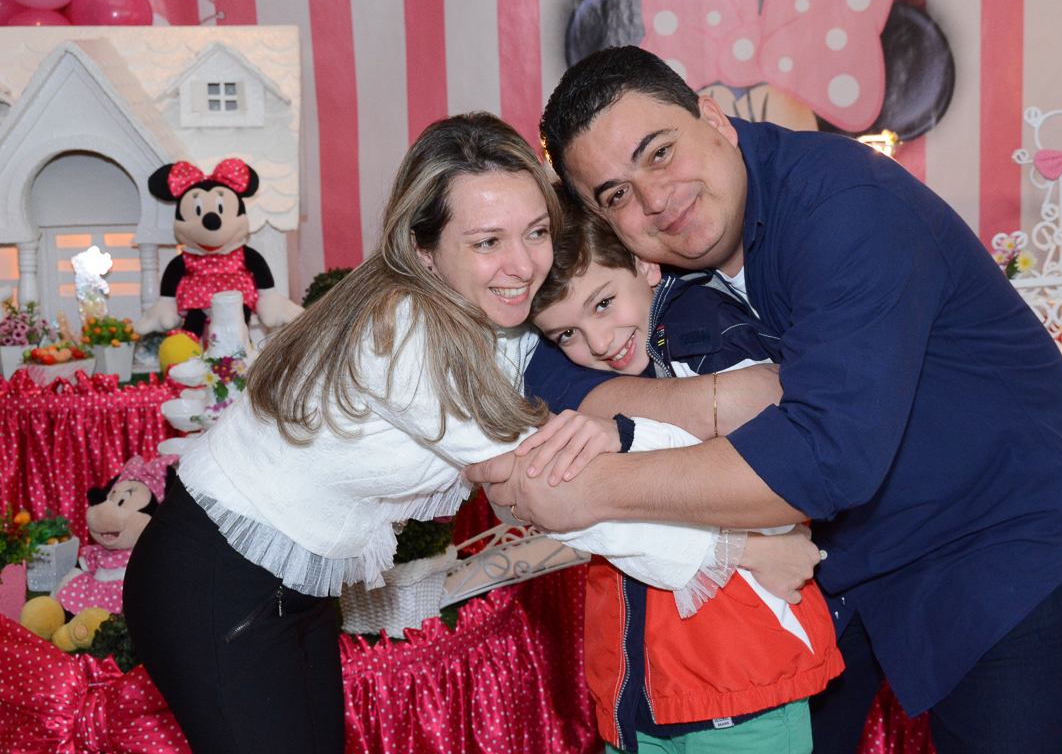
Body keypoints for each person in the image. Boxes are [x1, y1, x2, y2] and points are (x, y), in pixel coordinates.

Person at [469, 46, 1062, 754]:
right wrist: (712, 401)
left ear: (714, 116)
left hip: (987, 533)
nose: (653, 198)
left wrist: (597, 488)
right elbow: (551, 377)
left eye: (660, 152)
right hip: (824, 559)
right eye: (614, 193)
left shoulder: (847, 206)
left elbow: (826, 460)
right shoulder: (643, 268)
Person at [123, 111, 807, 754]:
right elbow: (555, 495)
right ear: (422, 249)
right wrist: (737, 546)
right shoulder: (406, 335)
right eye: (486, 242)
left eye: (537, 231)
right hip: (212, 584)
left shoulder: (489, 314)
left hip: (293, 591)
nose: (523, 265)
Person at [529, 196, 843, 754]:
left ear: (646, 265)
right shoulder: (606, 377)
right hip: (640, 689)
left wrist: (625, 436)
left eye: (603, 304)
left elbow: (771, 478)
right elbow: (571, 505)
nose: (598, 343)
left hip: (738, 683)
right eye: (567, 335)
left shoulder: (709, 332)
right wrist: (743, 548)